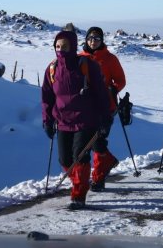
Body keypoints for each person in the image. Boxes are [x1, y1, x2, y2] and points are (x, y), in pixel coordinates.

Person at [41, 28, 108, 209]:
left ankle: (78, 195)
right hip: (63, 120)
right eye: (57, 46)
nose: (60, 50)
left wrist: (104, 118)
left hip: (86, 119)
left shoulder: (87, 65)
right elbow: (47, 97)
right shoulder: (52, 69)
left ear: (73, 46)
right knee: (65, 160)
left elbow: (101, 93)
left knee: (79, 155)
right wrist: (47, 120)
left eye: (64, 46)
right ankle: (81, 181)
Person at [79, 26, 127, 192]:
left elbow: (120, 80)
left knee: (98, 140)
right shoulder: (79, 58)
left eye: (97, 39)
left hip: (105, 107)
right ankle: (107, 162)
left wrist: (112, 90)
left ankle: (98, 178)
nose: (93, 41)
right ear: (86, 39)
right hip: (84, 108)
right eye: (90, 38)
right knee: (88, 142)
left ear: (102, 41)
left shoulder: (109, 59)